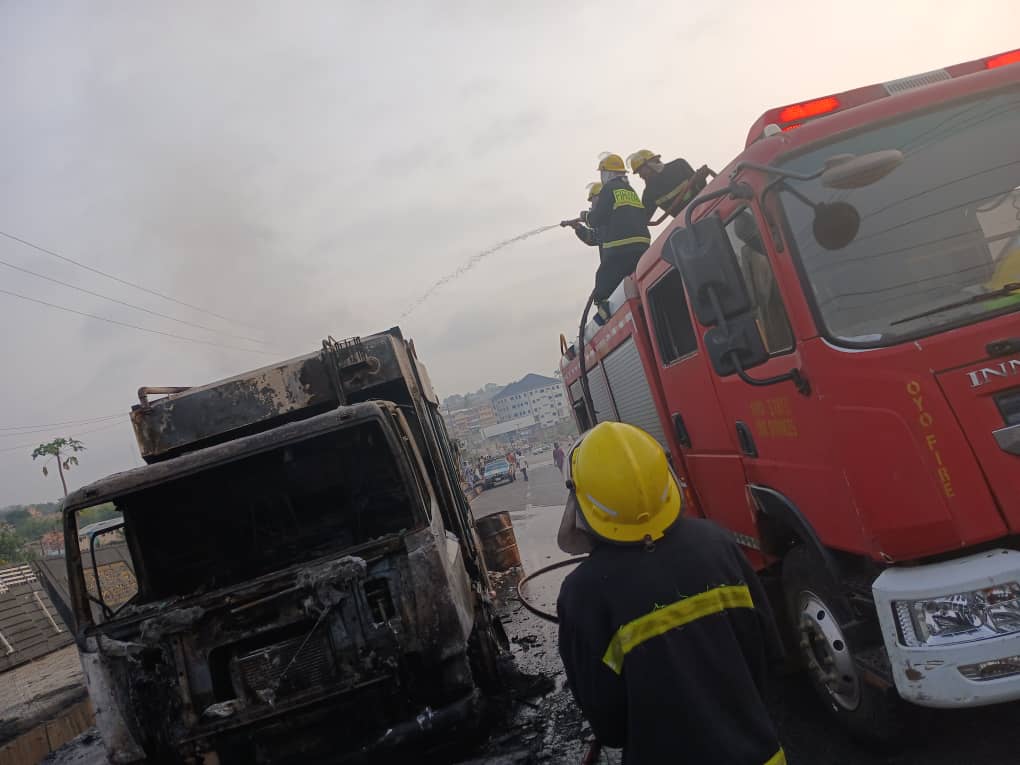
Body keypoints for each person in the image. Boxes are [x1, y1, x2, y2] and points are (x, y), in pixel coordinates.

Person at [556, 422, 785, 765]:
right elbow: (768, 657)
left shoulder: (582, 595)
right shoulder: (719, 544)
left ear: (581, 498)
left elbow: (610, 728)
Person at [585, 153, 652, 301]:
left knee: (602, 288)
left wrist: (585, 217)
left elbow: (596, 219)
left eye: (602, 172)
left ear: (607, 172)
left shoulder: (609, 189)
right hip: (642, 247)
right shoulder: (630, 190)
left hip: (619, 250)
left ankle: (605, 317)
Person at [627, 149, 707, 222]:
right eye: (638, 173)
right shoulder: (649, 193)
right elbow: (642, 219)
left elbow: (702, 186)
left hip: (706, 206)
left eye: (641, 171)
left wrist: (701, 178)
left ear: (651, 163)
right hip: (690, 222)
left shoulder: (679, 165)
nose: (641, 176)